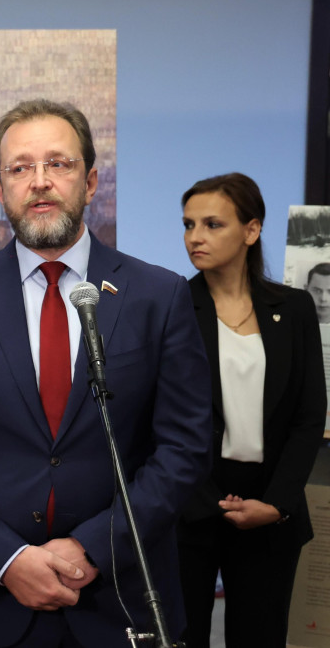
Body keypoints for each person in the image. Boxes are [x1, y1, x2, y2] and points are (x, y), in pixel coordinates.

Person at [0, 99, 212, 647]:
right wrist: (9, 558)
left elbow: (184, 447)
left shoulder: (158, 295)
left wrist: (92, 547)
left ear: (90, 182)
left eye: (59, 164)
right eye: (20, 168)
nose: (40, 181)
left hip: (120, 597)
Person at [177, 172, 325, 648]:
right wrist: (205, 502)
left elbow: (308, 416)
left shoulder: (294, 308)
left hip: (269, 503)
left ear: (251, 230)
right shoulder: (172, 307)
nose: (195, 237)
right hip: (190, 504)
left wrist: (277, 503)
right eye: (189, 224)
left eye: (212, 224)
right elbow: (158, 418)